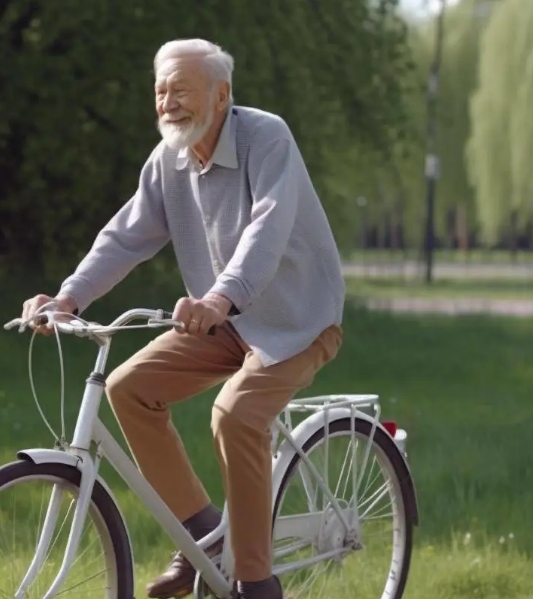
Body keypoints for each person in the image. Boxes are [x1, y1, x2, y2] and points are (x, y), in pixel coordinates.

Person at [21, 38, 345, 599]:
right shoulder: (168, 159)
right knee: (128, 390)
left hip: (297, 318)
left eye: (182, 90)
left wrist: (220, 298)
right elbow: (124, 237)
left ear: (221, 96)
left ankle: (256, 582)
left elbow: (265, 229)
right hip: (224, 323)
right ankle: (203, 538)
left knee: (237, 414)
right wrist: (68, 298)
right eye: (160, 91)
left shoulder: (267, 138)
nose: (168, 102)